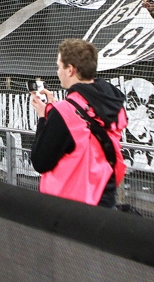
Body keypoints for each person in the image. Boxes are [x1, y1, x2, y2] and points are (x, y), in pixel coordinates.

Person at [30, 39, 127, 208]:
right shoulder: (114, 105)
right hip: (105, 196)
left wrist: (43, 117)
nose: (58, 71)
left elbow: (40, 161)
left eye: (59, 67)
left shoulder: (64, 112)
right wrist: (52, 111)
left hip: (71, 206)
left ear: (70, 70)